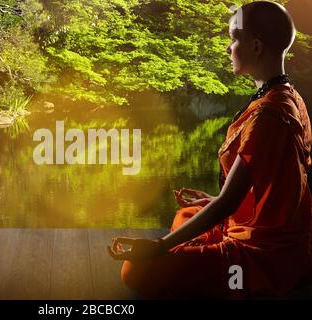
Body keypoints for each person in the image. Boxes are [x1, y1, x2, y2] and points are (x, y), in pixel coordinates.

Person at [108, 1, 312, 299]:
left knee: (136, 271)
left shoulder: (268, 116)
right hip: (288, 237)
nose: (228, 49)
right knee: (187, 215)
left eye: (234, 39)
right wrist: (214, 199)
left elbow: (228, 204)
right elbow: (270, 183)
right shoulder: (287, 96)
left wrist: (160, 247)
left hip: (264, 252)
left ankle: (244, 279)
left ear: (256, 47)